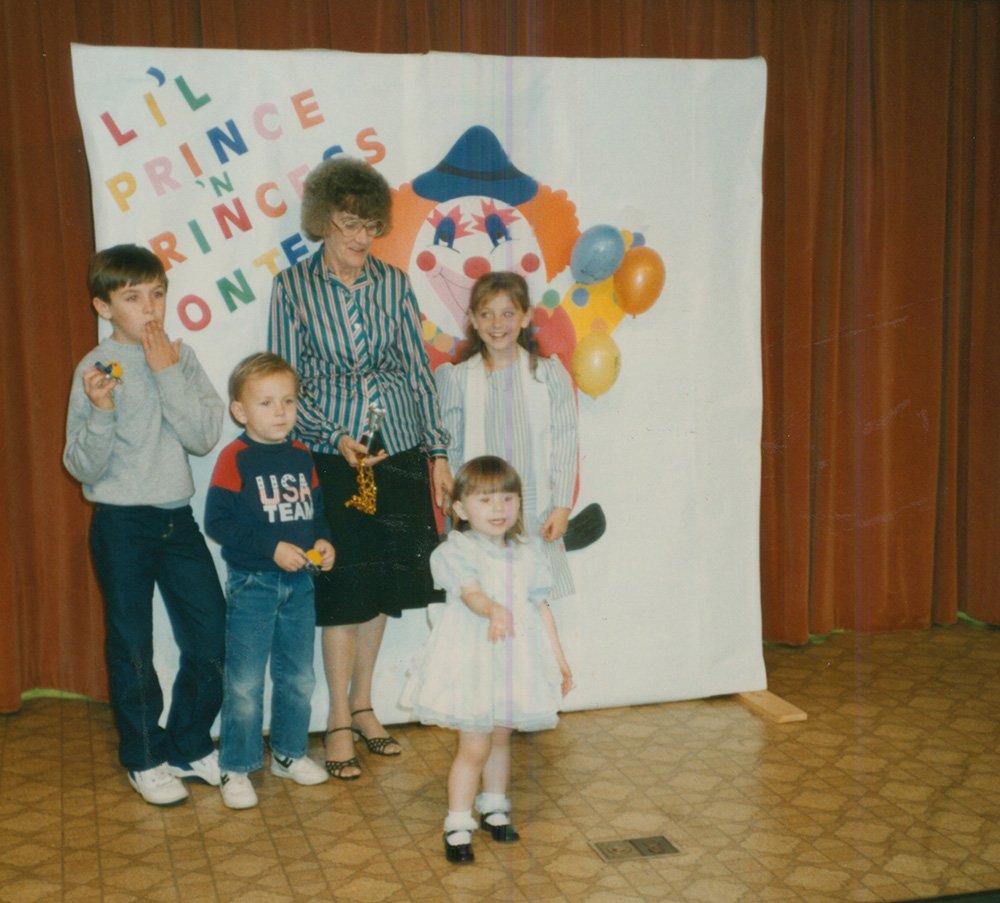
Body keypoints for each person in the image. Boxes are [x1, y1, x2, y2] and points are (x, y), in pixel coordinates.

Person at [268, 155, 452, 780]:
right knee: (344, 586)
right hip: (334, 454)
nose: (358, 237)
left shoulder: (395, 284)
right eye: (347, 222)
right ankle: (337, 721)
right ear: (323, 220)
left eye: (370, 224)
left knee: (381, 584)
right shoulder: (292, 287)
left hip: (397, 446)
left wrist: (438, 451)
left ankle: (366, 704)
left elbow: (417, 371)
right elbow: (286, 381)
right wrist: (334, 435)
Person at [63, 244, 226, 807]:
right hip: (120, 524)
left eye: (158, 293)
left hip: (177, 519)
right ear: (104, 307)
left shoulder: (180, 356)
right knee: (133, 645)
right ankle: (144, 756)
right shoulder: (95, 368)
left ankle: (186, 742)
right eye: (132, 298)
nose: (150, 308)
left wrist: (166, 374)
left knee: (211, 634)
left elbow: (203, 437)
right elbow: (79, 465)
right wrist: (103, 412)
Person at [400, 456, 573, 864]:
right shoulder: (457, 550)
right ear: (460, 509)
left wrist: (560, 661)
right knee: (475, 743)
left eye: (507, 499)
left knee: (501, 735)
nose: (498, 509)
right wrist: (493, 609)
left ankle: (494, 804)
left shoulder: (529, 551)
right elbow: (472, 594)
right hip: (474, 658)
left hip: (516, 658)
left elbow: (541, 606)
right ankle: (458, 822)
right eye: (485, 500)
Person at [204, 352, 336, 809]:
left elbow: (317, 511)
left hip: (301, 584)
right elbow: (217, 521)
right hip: (252, 583)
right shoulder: (234, 457)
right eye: (266, 403)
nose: (280, 412)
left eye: (288, 401)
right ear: (240, 411)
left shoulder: (302, 455)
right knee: (243, 681)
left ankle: (288, 752)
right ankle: (235, 766)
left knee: (298, 676)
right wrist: (270, 548)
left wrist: (325, 540)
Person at [436, 271, 578, 600]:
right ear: (472, 318)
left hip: (534, 511)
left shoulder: (548, 375)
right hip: (480, 517)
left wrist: (562, 506)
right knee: (482, 608)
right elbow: (451, 446)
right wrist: (457, 509)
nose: (497, 323)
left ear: (526, 316)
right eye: (486, 313)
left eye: (508, 313)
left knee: (533, 607)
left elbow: (565, 442)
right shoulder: (458, 379)